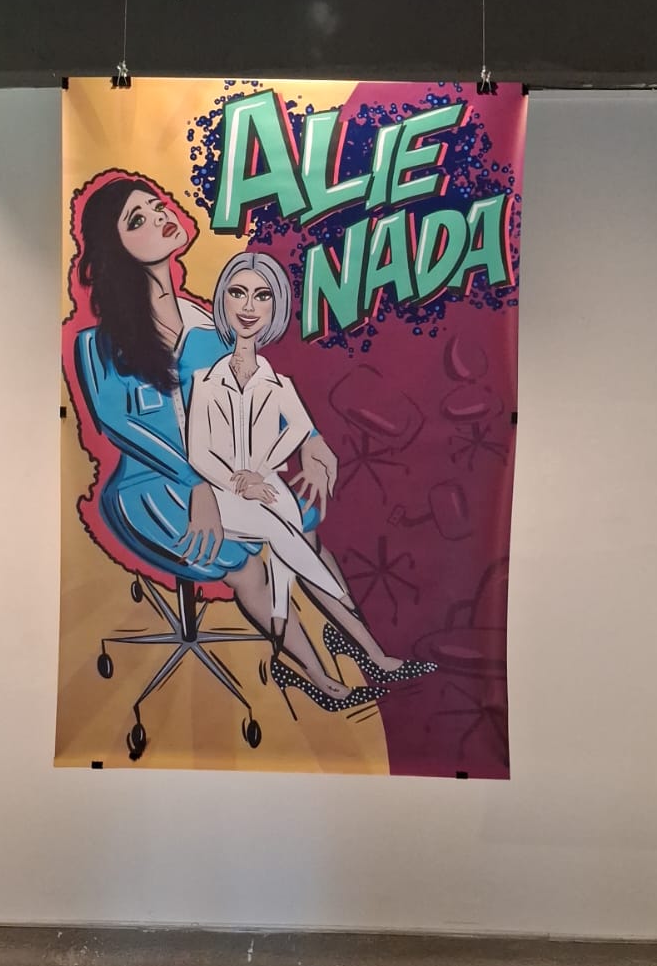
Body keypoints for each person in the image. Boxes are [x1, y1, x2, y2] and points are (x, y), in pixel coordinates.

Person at [67, 168, 370, 705]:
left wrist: (310, 438)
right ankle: (313, 673)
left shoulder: (210, 322)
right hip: (151, 487)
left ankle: (361, 644)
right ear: (116, 248)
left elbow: (256, 392)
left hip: (222, 470)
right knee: (247, 567)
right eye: (137, 219)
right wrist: (197, 485)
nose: (159, 216)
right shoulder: (99, 345)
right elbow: (122, 427)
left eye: (156, 205)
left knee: (303, 524)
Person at [187, 252, 437, 710]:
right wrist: (241, 481)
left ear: (276, 306)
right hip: (225, 495)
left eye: (262, 296)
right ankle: (359, 654)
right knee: (283, 533)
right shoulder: (205, 381)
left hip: (268, 486)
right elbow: (198, 453)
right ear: (223, 301)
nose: (249, 306)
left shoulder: (278, 383)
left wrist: (270, 465)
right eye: (238, 293)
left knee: (287, 551)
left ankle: (340, 659)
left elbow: (302, 432)